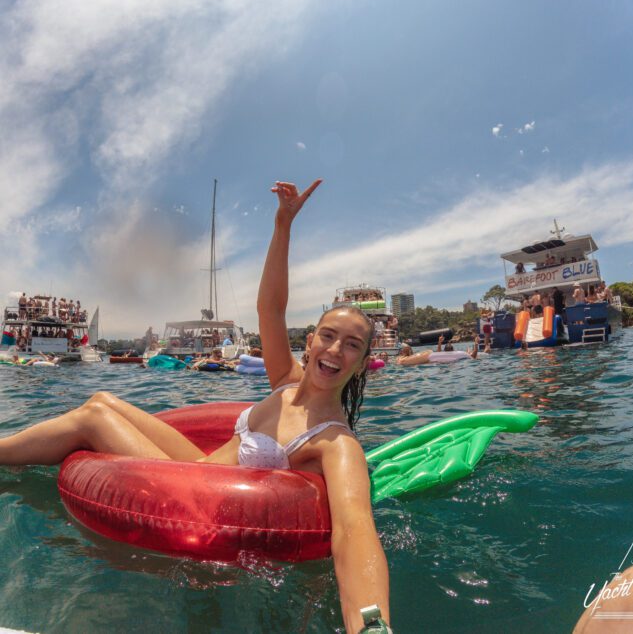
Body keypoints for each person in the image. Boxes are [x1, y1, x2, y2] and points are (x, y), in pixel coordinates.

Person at [0, 179, 389, 633]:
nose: (335, 349)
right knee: (102, 397)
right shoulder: (286, 384)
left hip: (201, 502)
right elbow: (270, 310)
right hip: (200, 467)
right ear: (310, 342)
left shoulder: (335, 442)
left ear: (363, 364)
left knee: (94, 417)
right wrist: (283, 224)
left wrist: (372, 625)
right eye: (328, 335)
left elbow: (354, 531)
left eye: (352, 345)